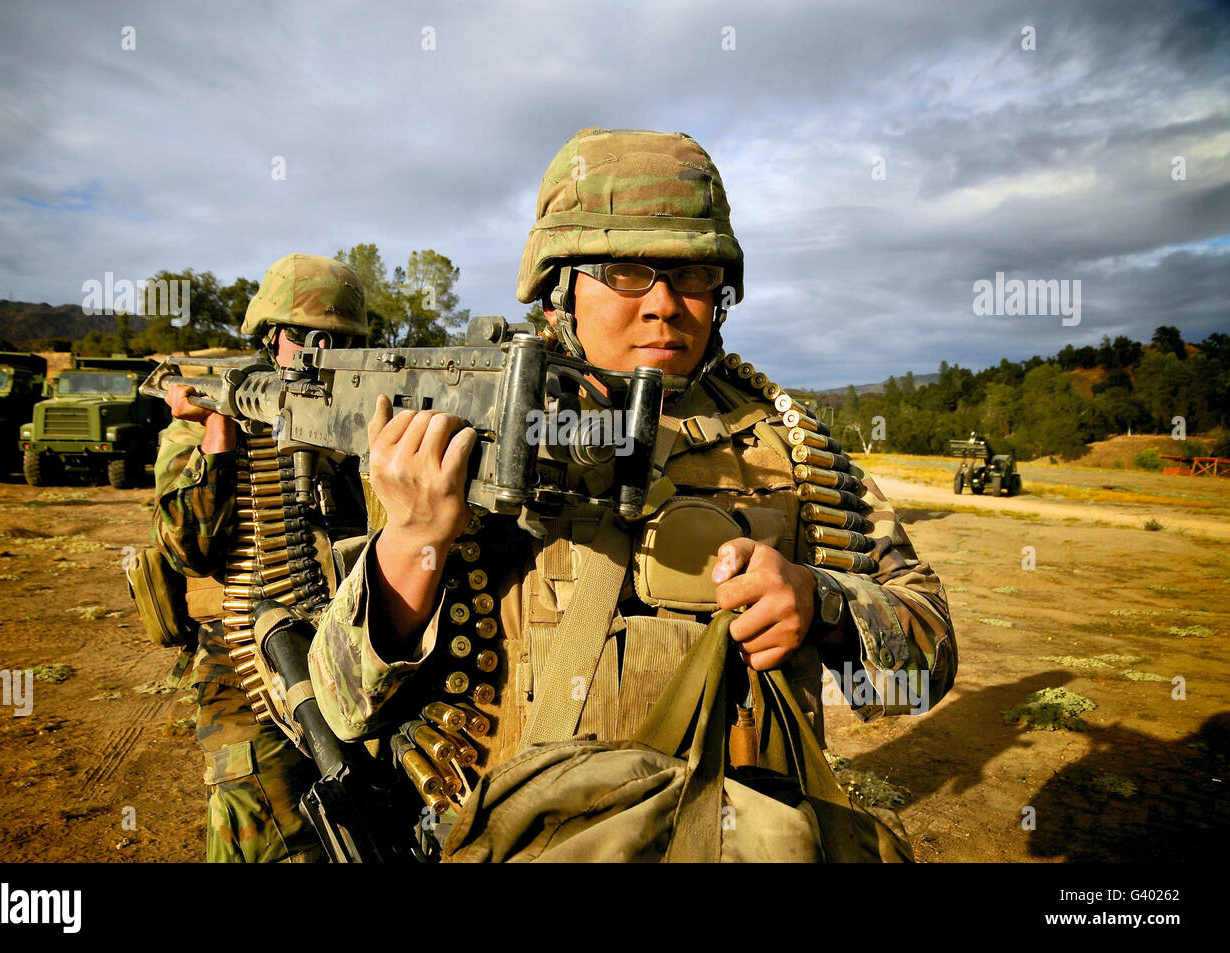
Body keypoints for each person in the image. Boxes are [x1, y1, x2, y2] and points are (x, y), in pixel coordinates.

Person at [307, 128, 957, 853]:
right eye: (625, 270)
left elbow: (920, 678)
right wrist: (411, 544)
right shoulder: (461, 431)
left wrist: (821, 602)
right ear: (561, 286)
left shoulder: (788, 449)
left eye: (695, 276)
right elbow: (346, 709)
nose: (665, 304)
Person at [152, 253, 372, 862]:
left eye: (338, 339)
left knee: (369, 821)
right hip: (243, 666)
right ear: (270, 335)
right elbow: (188, 549)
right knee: (271, 836)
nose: (318, 349)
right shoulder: (196, 432)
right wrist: (220, 428)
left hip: (346, 649)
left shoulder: (357, 418)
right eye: (303, 335)